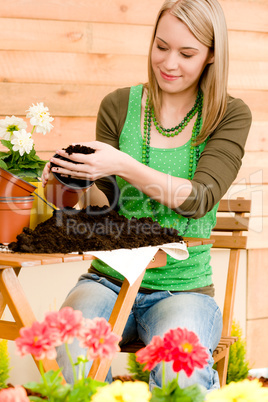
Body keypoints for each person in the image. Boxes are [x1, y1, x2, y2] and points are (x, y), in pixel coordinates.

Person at [42, 0, 252, 391]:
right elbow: (101, 205)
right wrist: (66, 184)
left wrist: (122, 164)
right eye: (161, 47)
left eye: (186, 53)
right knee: (75, 348)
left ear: (210, 56)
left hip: (184, 289)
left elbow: (200, 198)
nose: (169, 63)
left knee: (179, 370)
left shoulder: (229, 113)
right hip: (107, 281)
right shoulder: (119, 106)